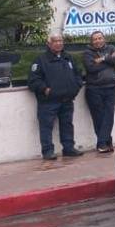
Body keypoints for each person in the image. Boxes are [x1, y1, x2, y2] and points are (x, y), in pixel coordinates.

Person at [26, 32, 84, 160]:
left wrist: (76, 86)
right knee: (46, 126)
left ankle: (68, 148)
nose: (59, 43)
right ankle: (48, 151)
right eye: (55, 41)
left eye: (60, 41)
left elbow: (78, 74)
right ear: (49, 44)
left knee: (67, 125)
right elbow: (33, 81)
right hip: (48, 102)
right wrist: (45, 90)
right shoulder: (40, 60)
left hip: (67, 100)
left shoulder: (68, 57)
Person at [82, 31, 115, 153]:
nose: (98, 41)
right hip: (94, 89)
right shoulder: (87, 53)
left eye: (100, 38)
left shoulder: (111, 48)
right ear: (91, 41)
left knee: (109, 115)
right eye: (95, 39)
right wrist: (109, 62)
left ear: (104, 39)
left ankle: (103, 143)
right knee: (99, 117)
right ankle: (104, 143)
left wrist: (103, 59)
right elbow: (91, 68)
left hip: (110, 87)